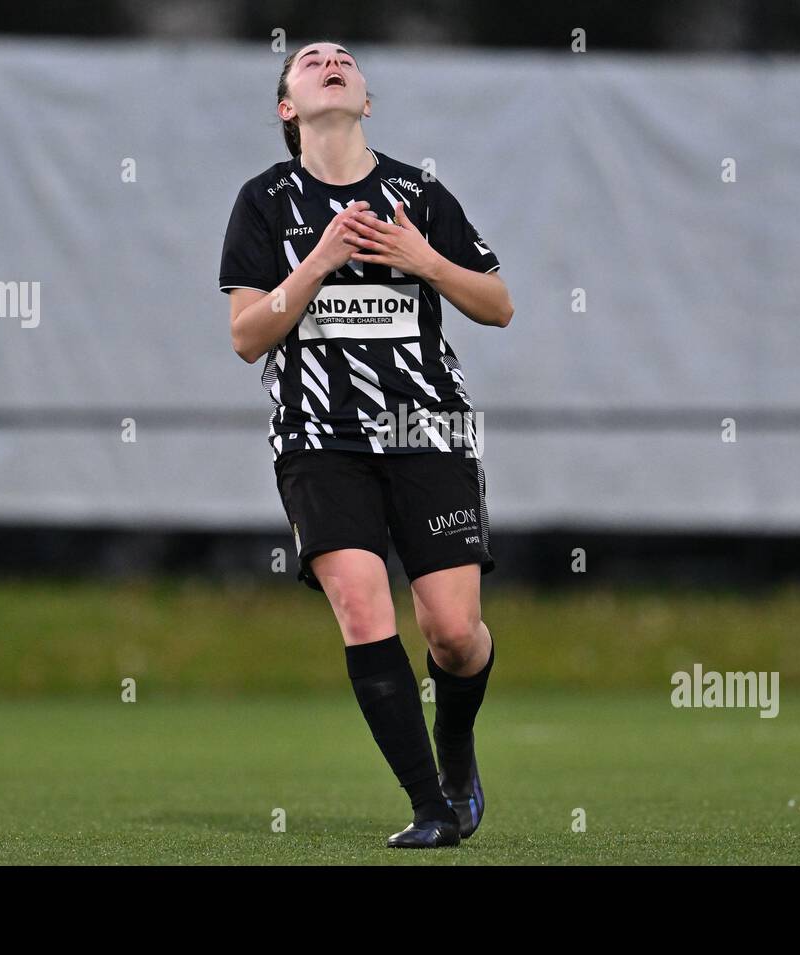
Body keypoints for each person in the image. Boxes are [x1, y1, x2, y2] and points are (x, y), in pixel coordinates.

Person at [218, 40, 514, 848]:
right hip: (322, 436)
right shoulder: (264, 201)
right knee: (359, 601)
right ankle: (431, 807)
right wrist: (316, 262)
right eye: (309, 61)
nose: (329, 61)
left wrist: (424, 259)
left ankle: (455, 748)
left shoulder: (418, 191)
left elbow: (498, 305)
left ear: (367, 100)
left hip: (428, 425)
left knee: (452, 632)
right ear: (289, 107)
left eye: (343, 58)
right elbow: (247, 335)